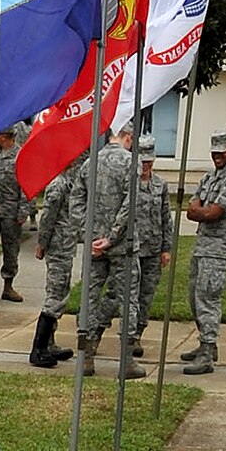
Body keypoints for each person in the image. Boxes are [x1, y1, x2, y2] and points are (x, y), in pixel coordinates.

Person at [180, 128, 226, 375]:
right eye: (214, 152)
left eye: (221, 151)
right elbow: (191, 208)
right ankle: (206, 344)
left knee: (207, 299)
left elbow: (213, 213)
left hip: (218, 250)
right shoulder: (210, 177)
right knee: (194, 298)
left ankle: (207, 353)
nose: (217, 156)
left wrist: (201, 211)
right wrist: (200, 211)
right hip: (202, 246)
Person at [77, 125, 142, 375]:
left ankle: (87, 357)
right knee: (128, 300)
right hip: (122, 245)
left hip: (95, 244)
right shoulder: (130, 163)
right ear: (128, 137)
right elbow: (131, 203)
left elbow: (77, 200)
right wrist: (113, 236)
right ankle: (126, 361)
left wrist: (89, 234)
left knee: (90, 298)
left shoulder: (90, 162)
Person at [29, 154, 82, 368]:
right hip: (58, 246)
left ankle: (49, 342)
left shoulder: (67, 182)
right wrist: (41, 243)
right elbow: (48, 217)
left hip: (66, 244)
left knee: (61, 293)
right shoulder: (58, 185)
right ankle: (38, 348)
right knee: (55, 295)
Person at [130, 136, 174, 359]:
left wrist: (167, 248)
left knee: (146, 295)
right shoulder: (129, 184)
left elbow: (166, 218)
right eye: (142, 161)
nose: (145, 166)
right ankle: (122, 333)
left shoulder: (160, 185)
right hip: (134, 249)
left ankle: (137, 333)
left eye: (149, 161)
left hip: (154, 249)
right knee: (128, 294)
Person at [0, 126, 27, 304]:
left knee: (11, 250)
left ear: (5, 137)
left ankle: (8, 285)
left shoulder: (20, 156)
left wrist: (23, 211)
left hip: (11, 211)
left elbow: (26, 186)